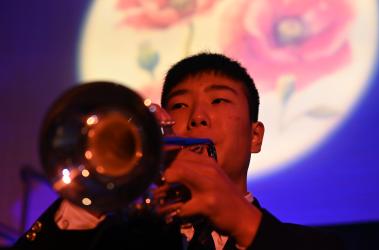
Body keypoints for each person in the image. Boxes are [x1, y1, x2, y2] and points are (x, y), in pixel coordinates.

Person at [14, 53, 343, 249]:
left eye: (218, 100)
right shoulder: (113, 241)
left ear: (255, 137)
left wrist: (245, 224)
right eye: (180, 105)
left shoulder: (310, 245)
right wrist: (96, 191)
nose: (197, 117)